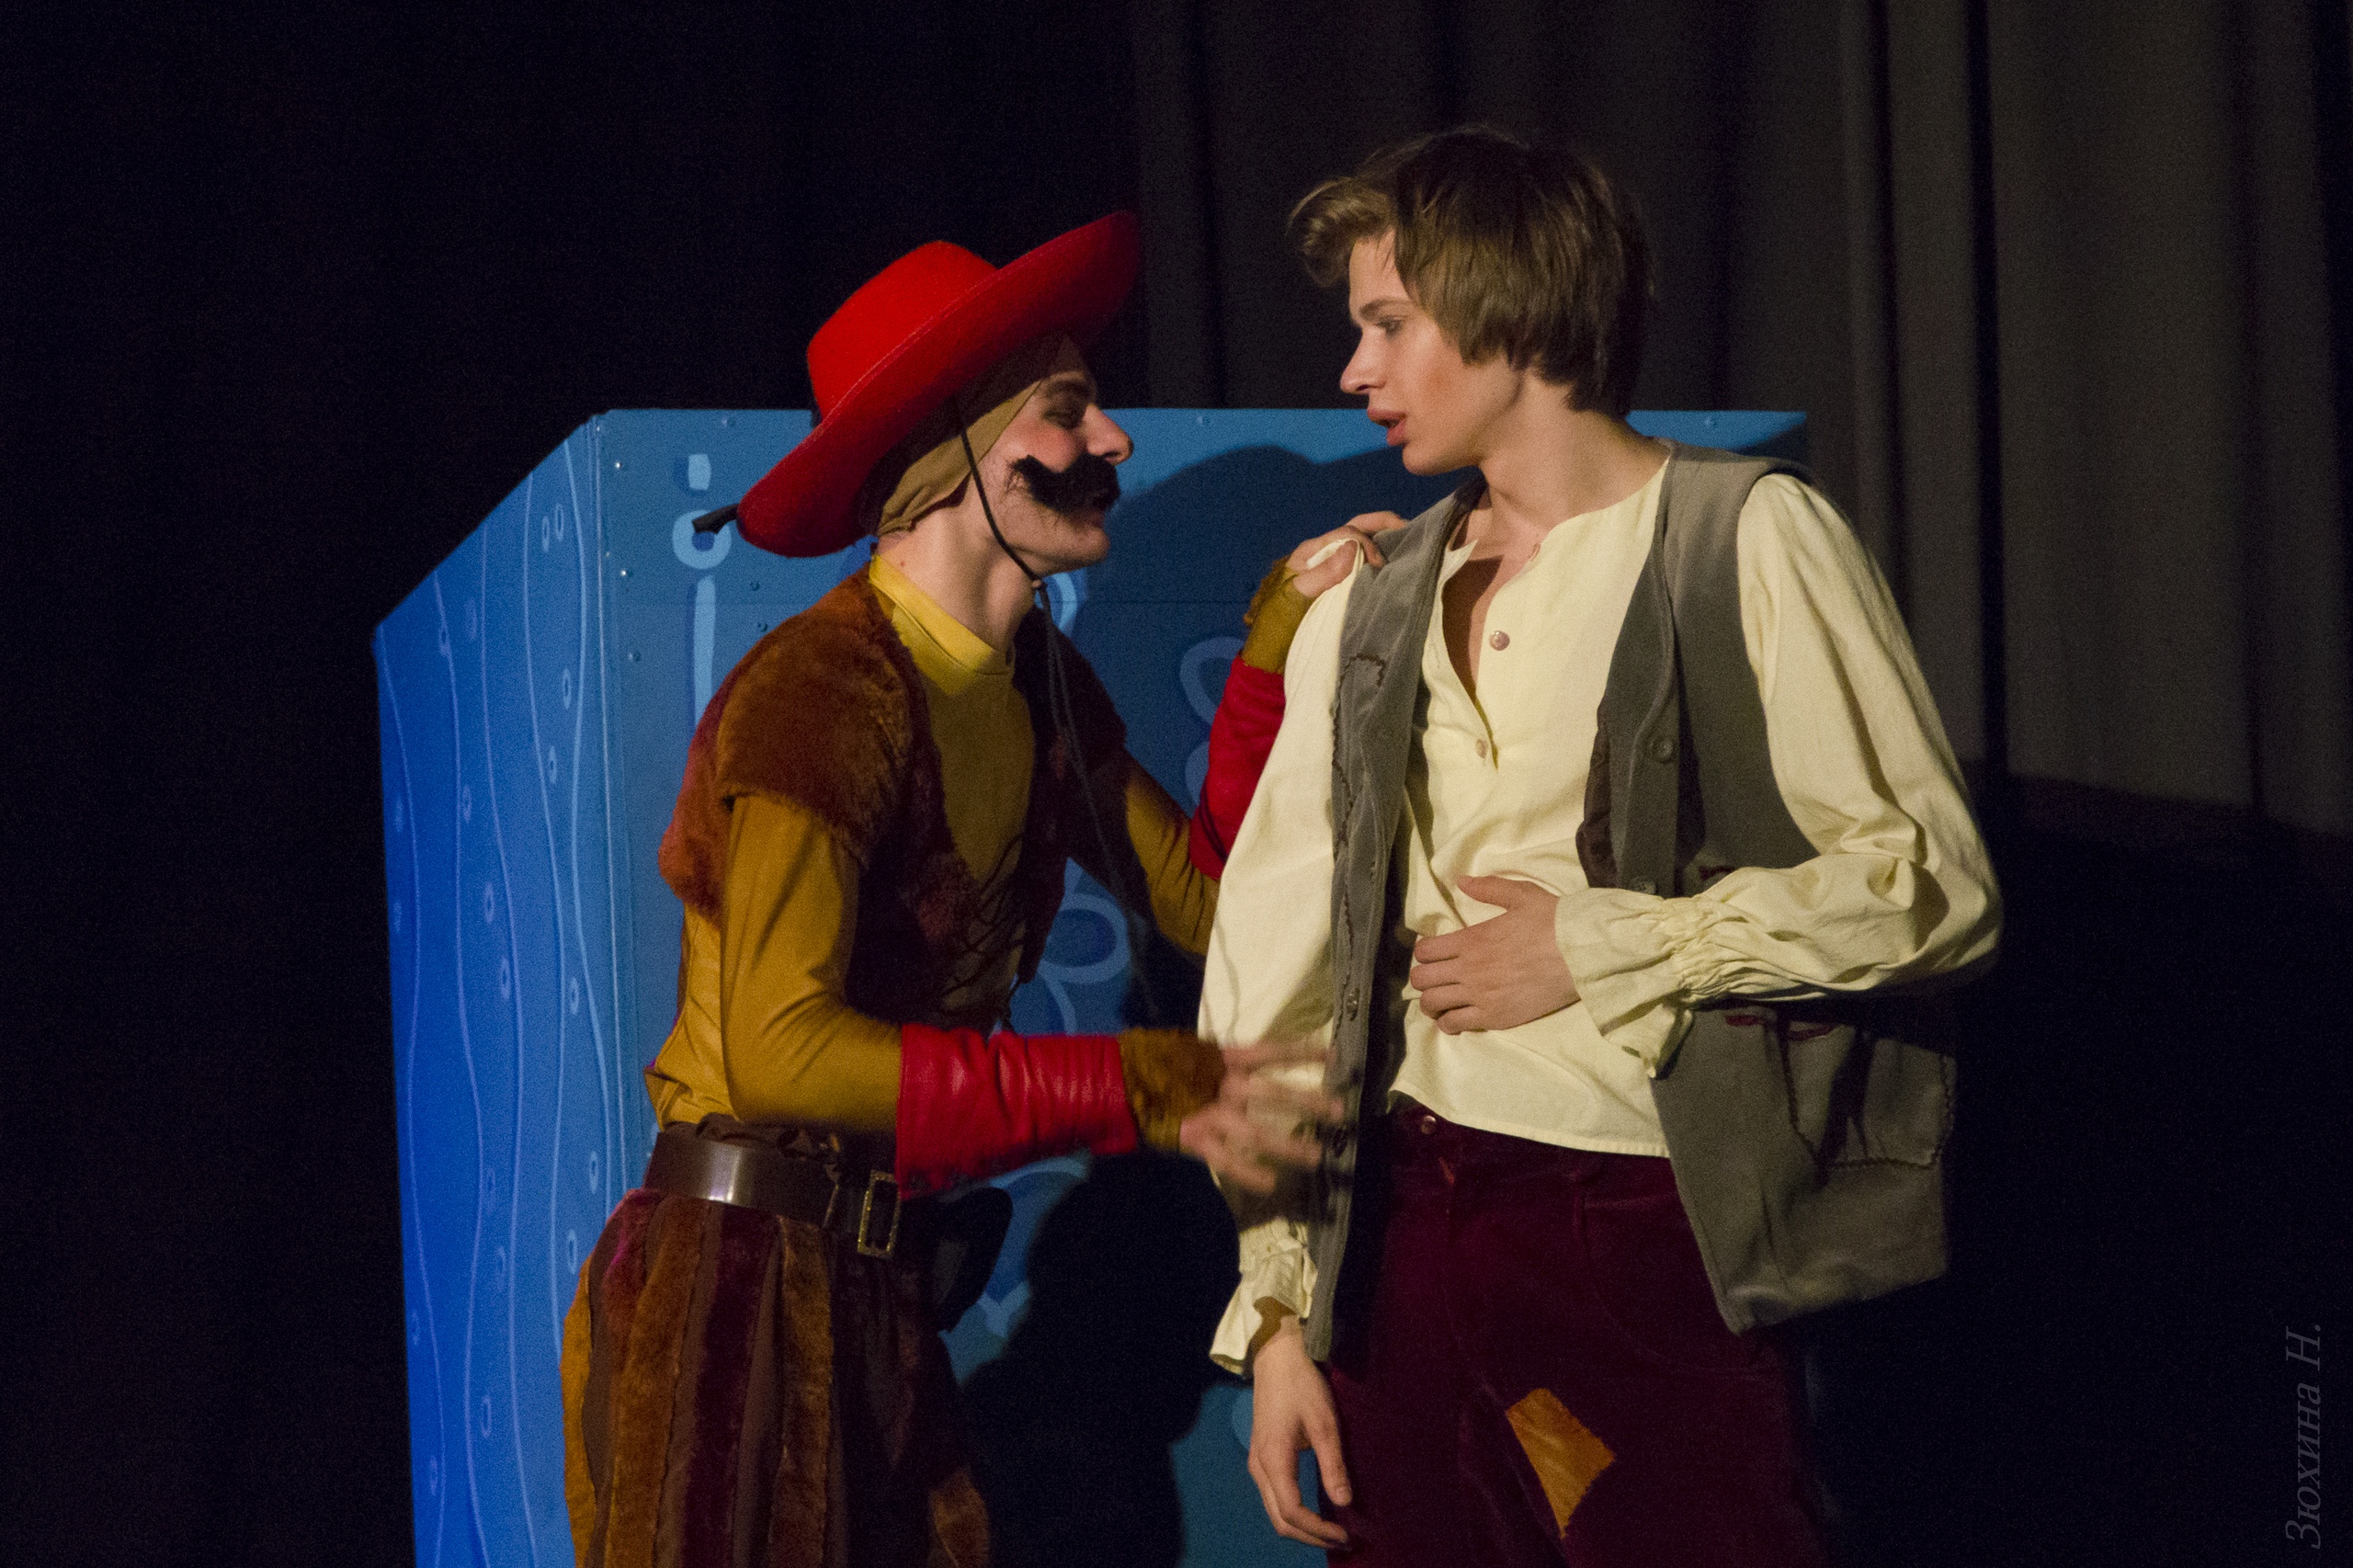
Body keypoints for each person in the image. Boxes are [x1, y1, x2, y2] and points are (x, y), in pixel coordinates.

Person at [1200, 128, 2001, 1566]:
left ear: (1505, 308)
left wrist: (1605, 939)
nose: (1356, 371)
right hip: (1396, 1239)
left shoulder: (1744, 537)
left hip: (1639, 1218)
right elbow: (1274, 981)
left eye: (1389, 323)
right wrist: (1277, 1311)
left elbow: (1930, 887)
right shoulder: (1366, 606)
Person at [560, 212, 1355, 1568]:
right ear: (953, 454)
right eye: (1068, 410)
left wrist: (1276, 651)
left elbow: (1215, 905)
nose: (1114, 441)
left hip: (882, 1285)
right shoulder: (824, 692)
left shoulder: (1039, 685)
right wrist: (1136, 1086)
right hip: (738, 1290)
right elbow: (780, 1048)